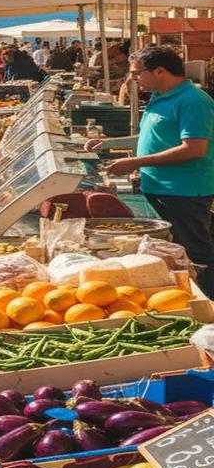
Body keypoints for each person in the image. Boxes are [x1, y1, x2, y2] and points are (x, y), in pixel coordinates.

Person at [88, 47, 214, 292]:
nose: (132, 79)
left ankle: (207, 304)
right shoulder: (159, 96)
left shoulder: (193, 101)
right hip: (159, 187)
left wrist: (135, 163)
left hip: (184, 191)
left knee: (195, 252)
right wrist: (110, 143)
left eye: (137, 73)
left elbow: (194, 149)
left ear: (160, 71)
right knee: (173, 253)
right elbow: (152, 136)